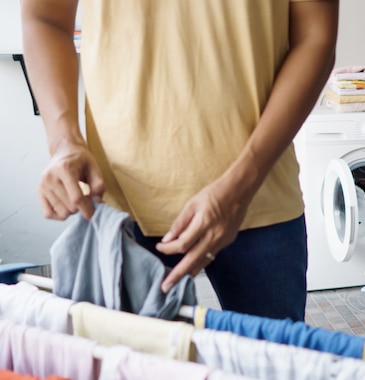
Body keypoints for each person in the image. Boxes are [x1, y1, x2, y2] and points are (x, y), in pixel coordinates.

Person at [21, 0, 339, 322]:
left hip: (261, 198)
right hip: (124, 206)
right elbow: (44, 18)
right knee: (134, 370)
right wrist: (63, 141)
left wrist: (242, 184)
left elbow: (315, 37)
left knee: (276, 369)